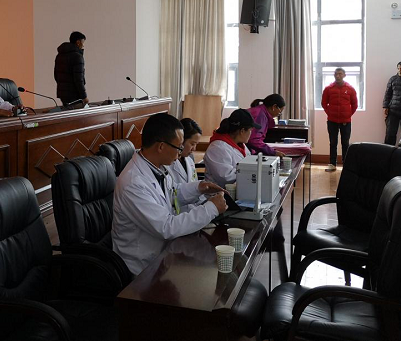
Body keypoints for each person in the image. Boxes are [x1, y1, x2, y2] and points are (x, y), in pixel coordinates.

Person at [112, 113, 227, 275]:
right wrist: (212, 208)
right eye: (178, 147)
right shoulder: (133, 183)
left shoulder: (156, 167)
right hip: (140, 268)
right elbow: (167, 227)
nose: (180, 153)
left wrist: (199, 188)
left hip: (163, 254)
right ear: (161, 147)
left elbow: (172, 194)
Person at [204, 109, 260, 188]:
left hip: (239, 188)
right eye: (250, 130)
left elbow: (248, 162)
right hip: (219, 192)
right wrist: (252, 172)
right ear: (242, 131)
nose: (251, 133)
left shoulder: (240, 144)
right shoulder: (218, 148)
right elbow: (226, 177)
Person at [321, 68, 358, 172]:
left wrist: (348, 115)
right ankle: (332, 164)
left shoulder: (350, 89)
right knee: (333, 143)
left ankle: (346, 165)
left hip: (346, 121)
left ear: (344, 75)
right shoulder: (328, 89)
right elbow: (324, 103)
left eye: (340, 74)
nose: (338, 76)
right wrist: (330, 113)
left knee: (345, 143)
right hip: (332, 121)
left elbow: (354, 104)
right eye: (336, 74)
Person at [54, 31, 88, 107]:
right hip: (74, 95)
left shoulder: (59, 55)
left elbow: (56, 75)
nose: (83, 45)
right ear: (78, 42)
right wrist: (84, 96)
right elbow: (78, 79)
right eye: (82, 42)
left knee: (67, 112)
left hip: (62, 93)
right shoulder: (77, 57)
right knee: (78, 114)